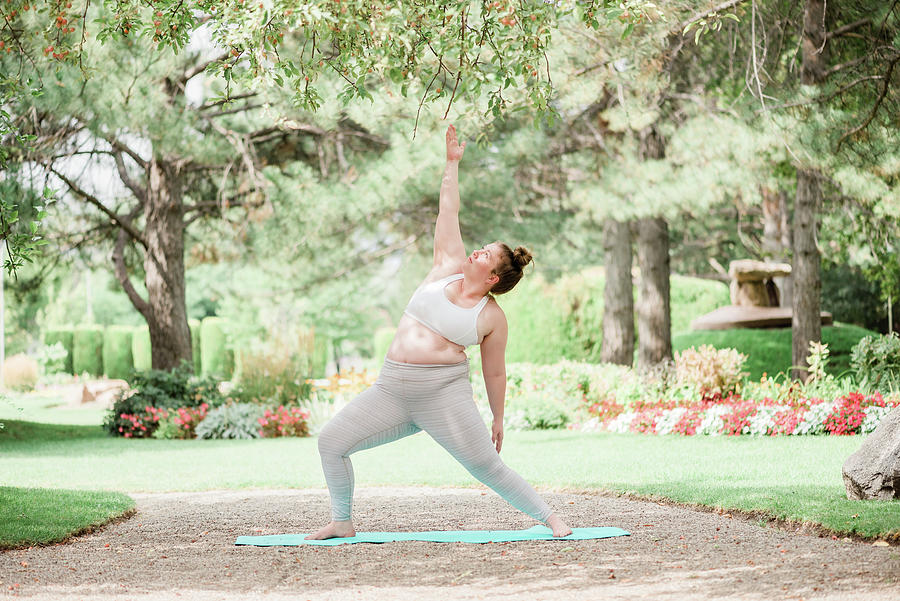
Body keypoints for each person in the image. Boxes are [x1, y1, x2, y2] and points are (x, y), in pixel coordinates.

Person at [306, 124, 572, 540]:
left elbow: (495, 372)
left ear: (492, 277)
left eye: (486, 255)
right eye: (482, 247)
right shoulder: (445, 264)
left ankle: (551, 517)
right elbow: (448, 211)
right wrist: (451, 164)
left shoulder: (491, 317)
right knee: (331, 442)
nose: (477, 251)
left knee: (485, 466)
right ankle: (342, 520)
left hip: (442, 394)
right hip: (391, 388)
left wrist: (498, 417)